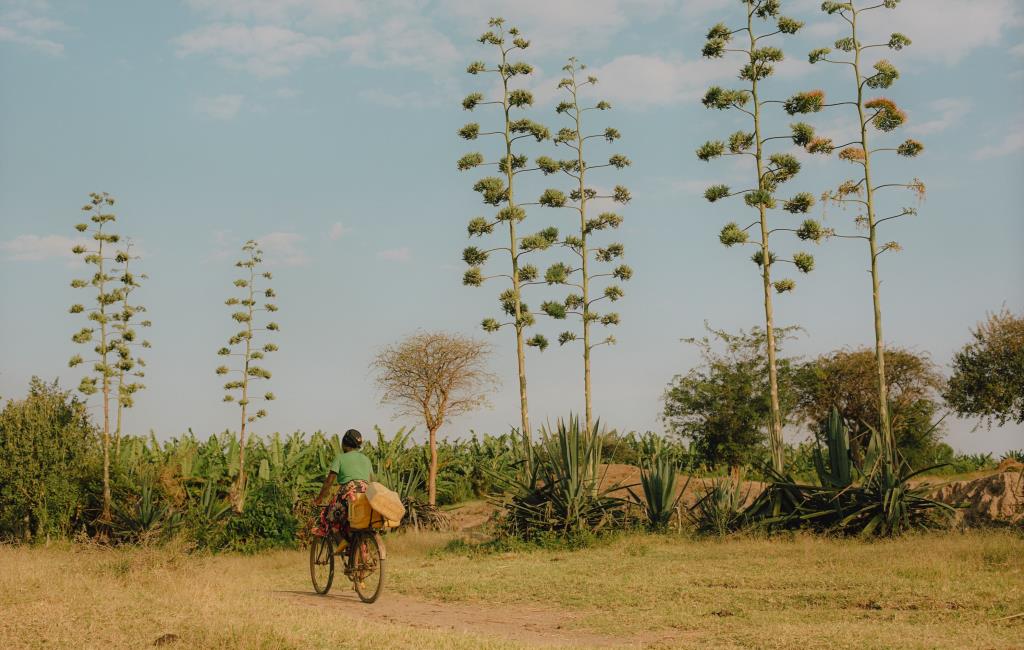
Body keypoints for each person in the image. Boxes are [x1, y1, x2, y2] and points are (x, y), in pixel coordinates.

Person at [314, 429, 373, 550]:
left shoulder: (340, 458)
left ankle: (341, 542)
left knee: (327, 516)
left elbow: (329, 481)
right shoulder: (366, 459)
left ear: (344, 443)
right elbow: (372, 480)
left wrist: (319, 498)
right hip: (366, 495)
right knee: (359, 524)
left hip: (349, 494)